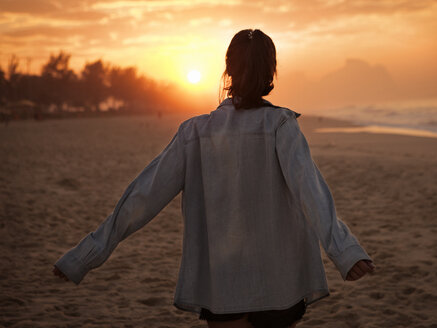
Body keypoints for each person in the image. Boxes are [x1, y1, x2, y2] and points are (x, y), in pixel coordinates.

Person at [53, 29, 375, 328]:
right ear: (271, 73)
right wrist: (345, 252)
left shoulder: (195, 132)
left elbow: (142, 197)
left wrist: (84, 257)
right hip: (279, 285)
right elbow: (311, 193)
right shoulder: (280, 125)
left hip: (223, 287)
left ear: (228, 70)